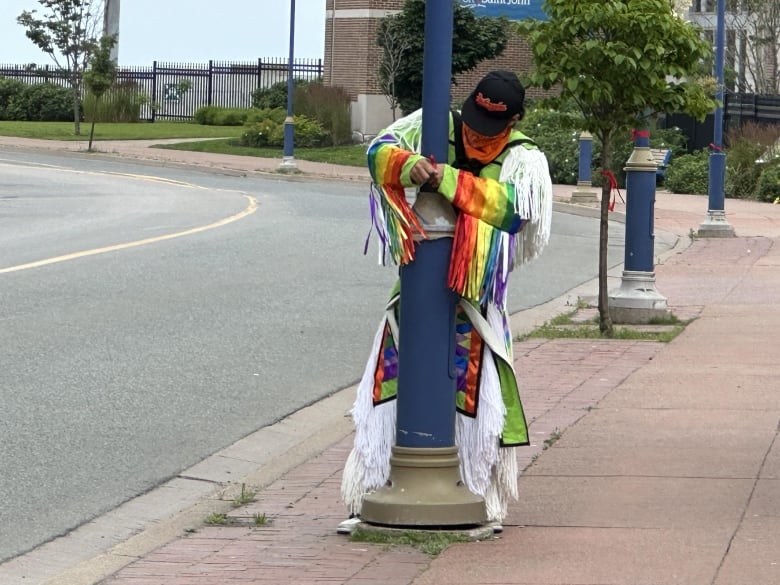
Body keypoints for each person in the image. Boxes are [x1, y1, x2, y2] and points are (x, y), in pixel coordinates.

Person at [339, 71, 553, 533]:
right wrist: (403, 165)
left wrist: (448, 179)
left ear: (513, 120)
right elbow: (378, 149)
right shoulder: (437, 125)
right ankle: (374, 486)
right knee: (390, 389)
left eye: (489, 127)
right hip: (417, 291)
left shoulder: (525, 157)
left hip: (475, 300)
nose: (475, 134)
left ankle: (478, 494)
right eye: (473, 120)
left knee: (476, 400)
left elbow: (513, 209)